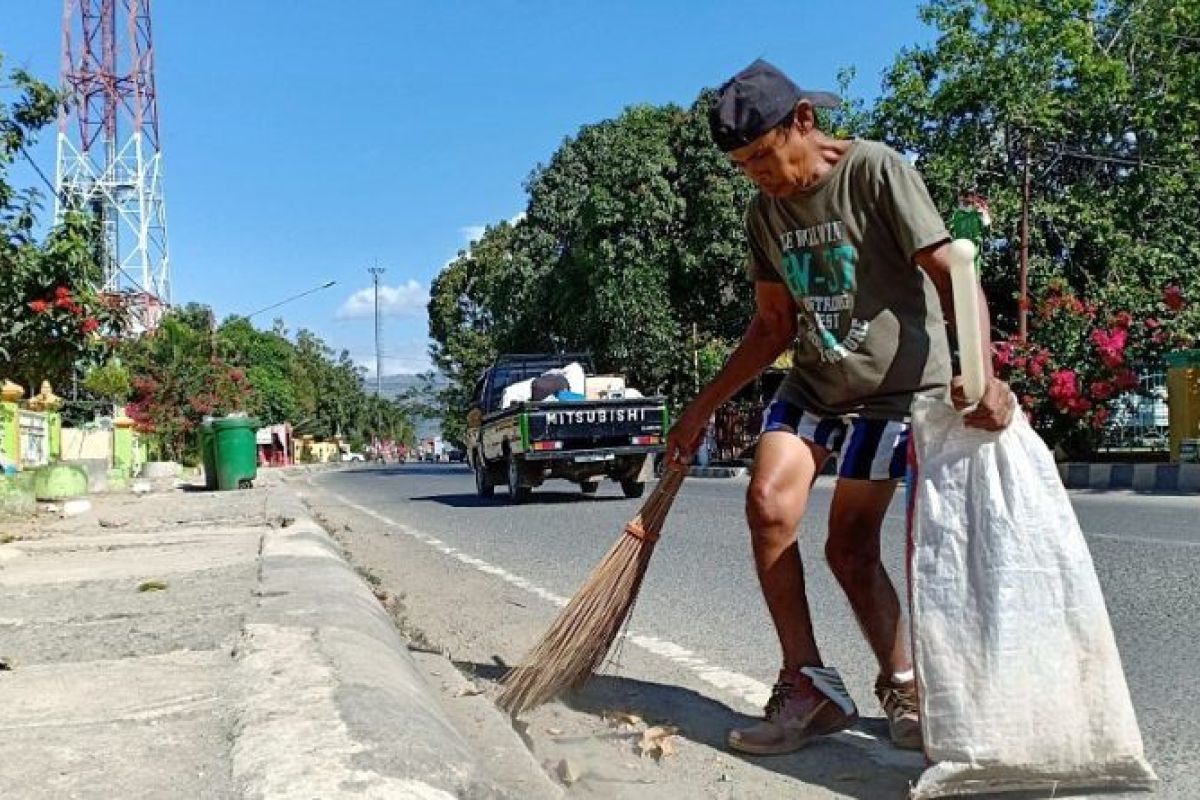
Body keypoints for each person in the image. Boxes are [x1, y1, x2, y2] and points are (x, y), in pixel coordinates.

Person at [665, 59, 1014, 755]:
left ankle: (904, 684)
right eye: (744, 167)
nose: (761, 176)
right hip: (816, 385)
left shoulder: (875, 170)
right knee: (766, 503)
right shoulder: (764, 214)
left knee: (849, 548)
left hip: (895, 390)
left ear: (804, 121)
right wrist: (700, 408)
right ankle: (808, 684)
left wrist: (982, 374)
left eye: (765, 157)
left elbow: (951, 270)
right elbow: (772, 327)